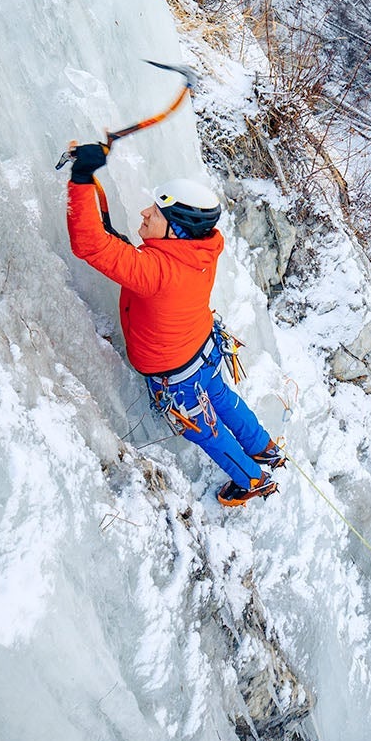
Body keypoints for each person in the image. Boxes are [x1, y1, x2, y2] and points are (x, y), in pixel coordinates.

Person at [64, 141, 283, 506]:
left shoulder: (156, 272)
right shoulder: (203, 249)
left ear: (177, 230)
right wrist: (126, 247)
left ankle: (252, 480)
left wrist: (82, 175)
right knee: (223, 399)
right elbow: (146, 263)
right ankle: (263, 446)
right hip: (203, 350)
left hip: (177, 375)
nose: (145, 212)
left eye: (156, 212)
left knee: (206, 431)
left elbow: (90, 245)